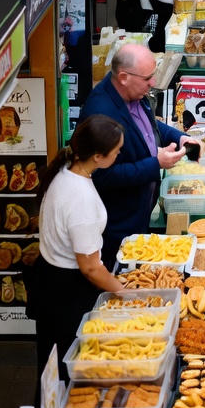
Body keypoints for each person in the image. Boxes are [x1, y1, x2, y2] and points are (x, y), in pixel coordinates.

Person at [79, 44, 188, 269]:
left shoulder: (133, 94)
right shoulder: (101, 113)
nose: (153, 83)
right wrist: (155, 164)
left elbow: (148, 127)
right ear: (124, 77)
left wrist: (180, 137)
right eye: (147, 78)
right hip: (118, 224)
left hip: (140, 212)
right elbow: (103, 176)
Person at [34, 115, 126, 379]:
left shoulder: (66, 171)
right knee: (68, 365)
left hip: (50, 280)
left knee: (50, 364)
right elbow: (90, 267)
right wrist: (123, 292)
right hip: (68, 292)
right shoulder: (81, 199)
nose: (119, 154)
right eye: (117, 150)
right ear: (98, 156)